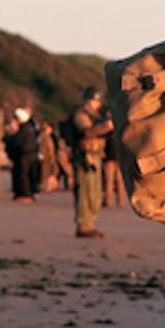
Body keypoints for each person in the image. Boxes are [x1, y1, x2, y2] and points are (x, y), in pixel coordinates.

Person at [69, 86, 112, 237]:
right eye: (96, 100)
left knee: (94, 191)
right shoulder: (80, 114)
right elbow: (86, 132)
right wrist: (105, 127)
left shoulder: (94, 115)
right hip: (84, 156)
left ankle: (90, 223)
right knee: (84, 191)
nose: (98, 103)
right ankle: (83, 225)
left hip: (96, 155)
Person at [5, 108, 42, 201]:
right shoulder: (30, 128)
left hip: (24, 154)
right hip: (31, 153)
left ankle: (25, 194)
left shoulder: (23, 129)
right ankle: (28, 193)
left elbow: (17, 141)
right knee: (29, 174)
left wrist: (10, 135)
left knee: (23, 174)